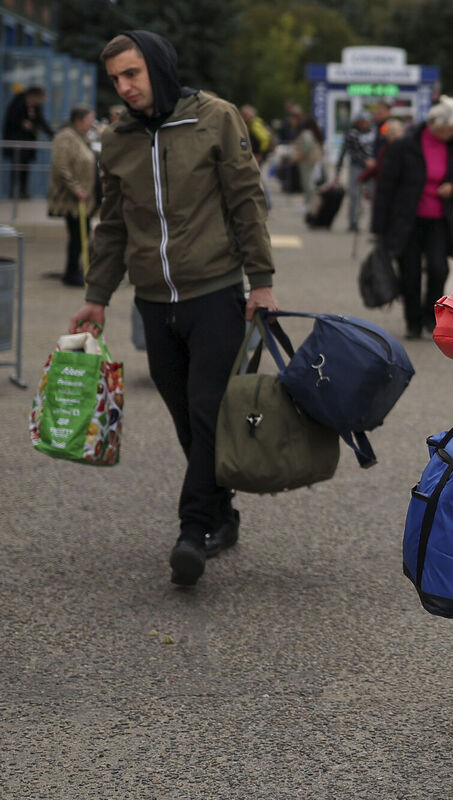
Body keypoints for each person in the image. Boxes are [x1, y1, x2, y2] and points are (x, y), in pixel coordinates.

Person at [68, 31, 276, 587]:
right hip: (154, 305)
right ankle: (223, 513)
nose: (125, 87)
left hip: (215, 294)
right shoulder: (117, 140)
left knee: (208, 410)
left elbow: (246, 200)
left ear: (157, 68)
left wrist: (262, 281)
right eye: (115, 79)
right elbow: (111, 225)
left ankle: (192, 531)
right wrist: (96, 296)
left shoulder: (215, 117)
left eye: (132, 74)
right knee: (188, 418)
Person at [371, 96, 453, 340]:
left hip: (439, 219)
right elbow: (385, 187)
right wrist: (379, 227)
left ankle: (431, 315)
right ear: (436, 124)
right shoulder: (404, 146)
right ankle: (413, 320)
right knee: (410, 272)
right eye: (450, 128)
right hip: (407, 219)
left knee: (439, 269)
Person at [48, 105, 99, 287]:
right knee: (77, 236)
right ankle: (71, 273)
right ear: (79, 121)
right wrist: (75, 188)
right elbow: (61, 166)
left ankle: (75, 269)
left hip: (84, 197)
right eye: (89, 120)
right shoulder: (66, 137)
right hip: (73, 200)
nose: (91, 124)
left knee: (82, 235)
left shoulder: (81, 137)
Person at [3, 85, 54, 199]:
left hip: (28, 141)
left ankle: (23, 191)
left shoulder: (36, 108)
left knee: (25, 167)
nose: (42, 100)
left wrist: (54, 136)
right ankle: (14, 192)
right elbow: (10, 119)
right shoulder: (18, 102)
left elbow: (42, 122)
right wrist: (22, 123)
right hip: (17, 141)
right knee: (17, 166)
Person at [335, 111, 375, 232]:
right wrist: (338, 170)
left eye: (366, 122)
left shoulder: (373, 133)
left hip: (372, 168)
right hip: (356, 167)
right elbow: (345, 152)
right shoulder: (351, 134)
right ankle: (353, 222)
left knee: (373, 195)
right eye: (362, 122)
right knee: (355, 195)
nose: (364, 124)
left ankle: (373, 224)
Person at [291, 111, 325, 210]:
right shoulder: (312, 133)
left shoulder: (306, 133)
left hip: (306, 161)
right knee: (308, 182)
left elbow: (307, 147)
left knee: (307, 182)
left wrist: (301, 156)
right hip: (310, 160)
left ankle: (310, 203)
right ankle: (309, 202)